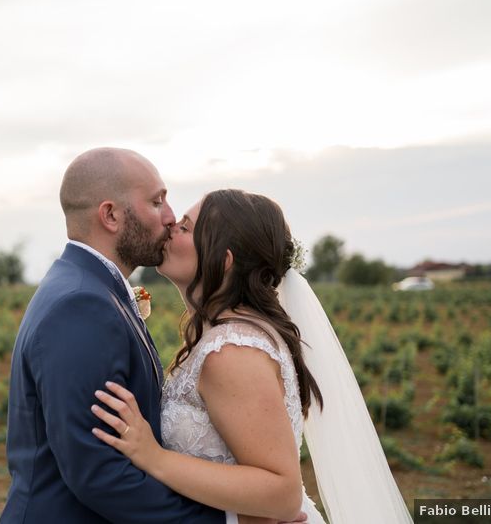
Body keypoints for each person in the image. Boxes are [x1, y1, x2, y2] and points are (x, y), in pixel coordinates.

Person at [91, 189, 414, 524]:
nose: (170, 225)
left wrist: (154, 458)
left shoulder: (232, 351)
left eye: (186, 228)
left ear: (224, 260)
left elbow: (282, 494)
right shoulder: (228, 335)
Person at [1, 149, 247, 522]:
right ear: (111, 215)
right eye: (156, 201)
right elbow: (98, 473)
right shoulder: (81, 304)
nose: (169, 218)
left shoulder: (88, 288)